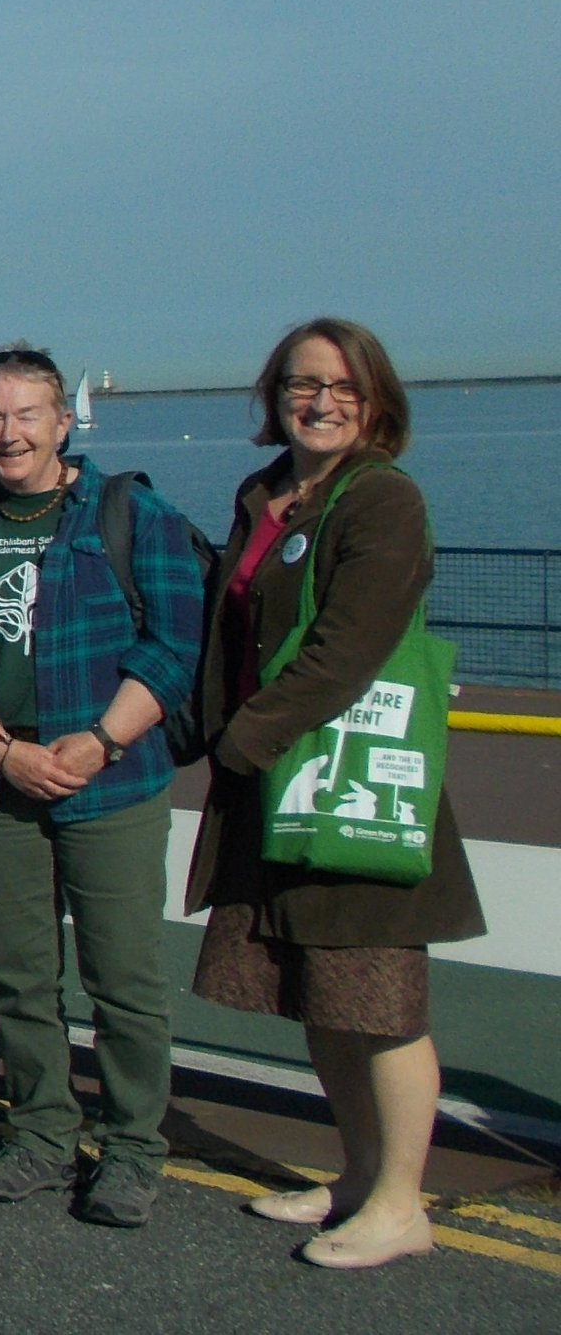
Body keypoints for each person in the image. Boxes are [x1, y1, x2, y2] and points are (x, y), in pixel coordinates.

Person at [186, 321, 485, 1269]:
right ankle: (358, 1177)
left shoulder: (384, 500)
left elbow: (349, 647)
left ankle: (402, 1202)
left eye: (342, 387)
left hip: (352, 786)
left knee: (380, 999)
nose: (320, 401)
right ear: (274, 395)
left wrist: (246, 738)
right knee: (321, 993)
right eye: (302, 384)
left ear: (376, 399)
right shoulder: (267, 492)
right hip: (280, 783)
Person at [0, 343, 201, 1227]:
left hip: (109, 779)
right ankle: (39, 1131)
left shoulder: (131, 513)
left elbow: (175, 644)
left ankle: (134, 1146)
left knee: (125, 977)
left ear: (62, 422)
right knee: (24, 979)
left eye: (27, 414)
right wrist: (3, 752)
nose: (10, 433)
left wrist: (101, 740)